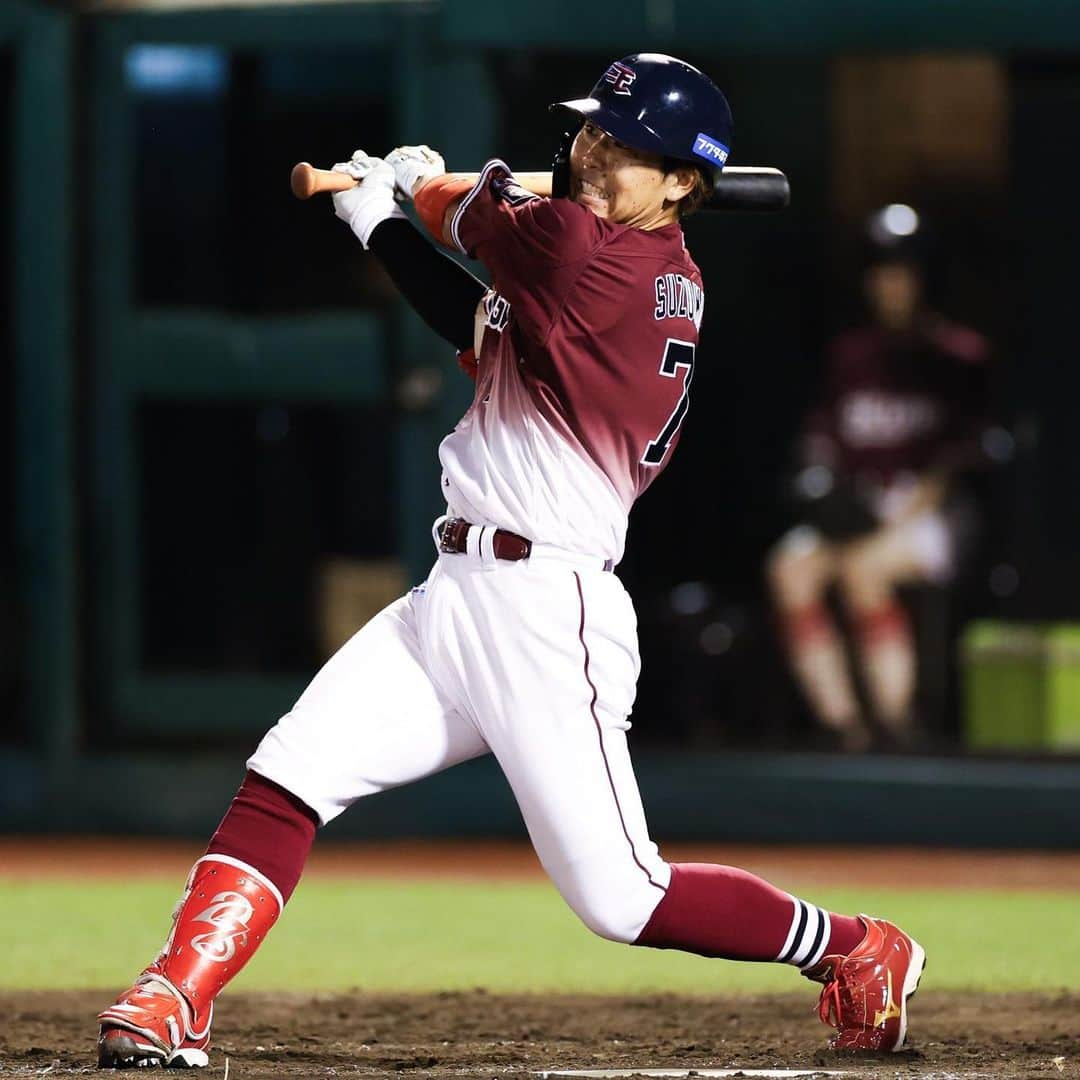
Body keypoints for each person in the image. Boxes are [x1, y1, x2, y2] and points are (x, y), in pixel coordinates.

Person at [96, 55, 924, 1069]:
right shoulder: (617, 267)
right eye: (591, 135)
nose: (592, 156)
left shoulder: (589, 254)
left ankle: (858, 947)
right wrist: (384, 221)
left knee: (623, 898)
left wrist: (412, 184)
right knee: (288, 775)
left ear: (681, 184)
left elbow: (474, 216)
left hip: (548, 608)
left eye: (626, 148)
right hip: (456, 596)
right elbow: (479, 319)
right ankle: (173, 991)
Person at [767, 205, 992, 751]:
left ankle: (896, 725)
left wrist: (891, 520)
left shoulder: (959, 356)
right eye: (882, 273)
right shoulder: (851, 355)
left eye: (902, 273)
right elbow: (821, 445)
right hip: (861, 508)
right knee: (788, 570)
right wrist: (825, 493)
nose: (890, 286)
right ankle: (843, 725)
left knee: (864, 570)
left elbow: (957, 463)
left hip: (928, 514)